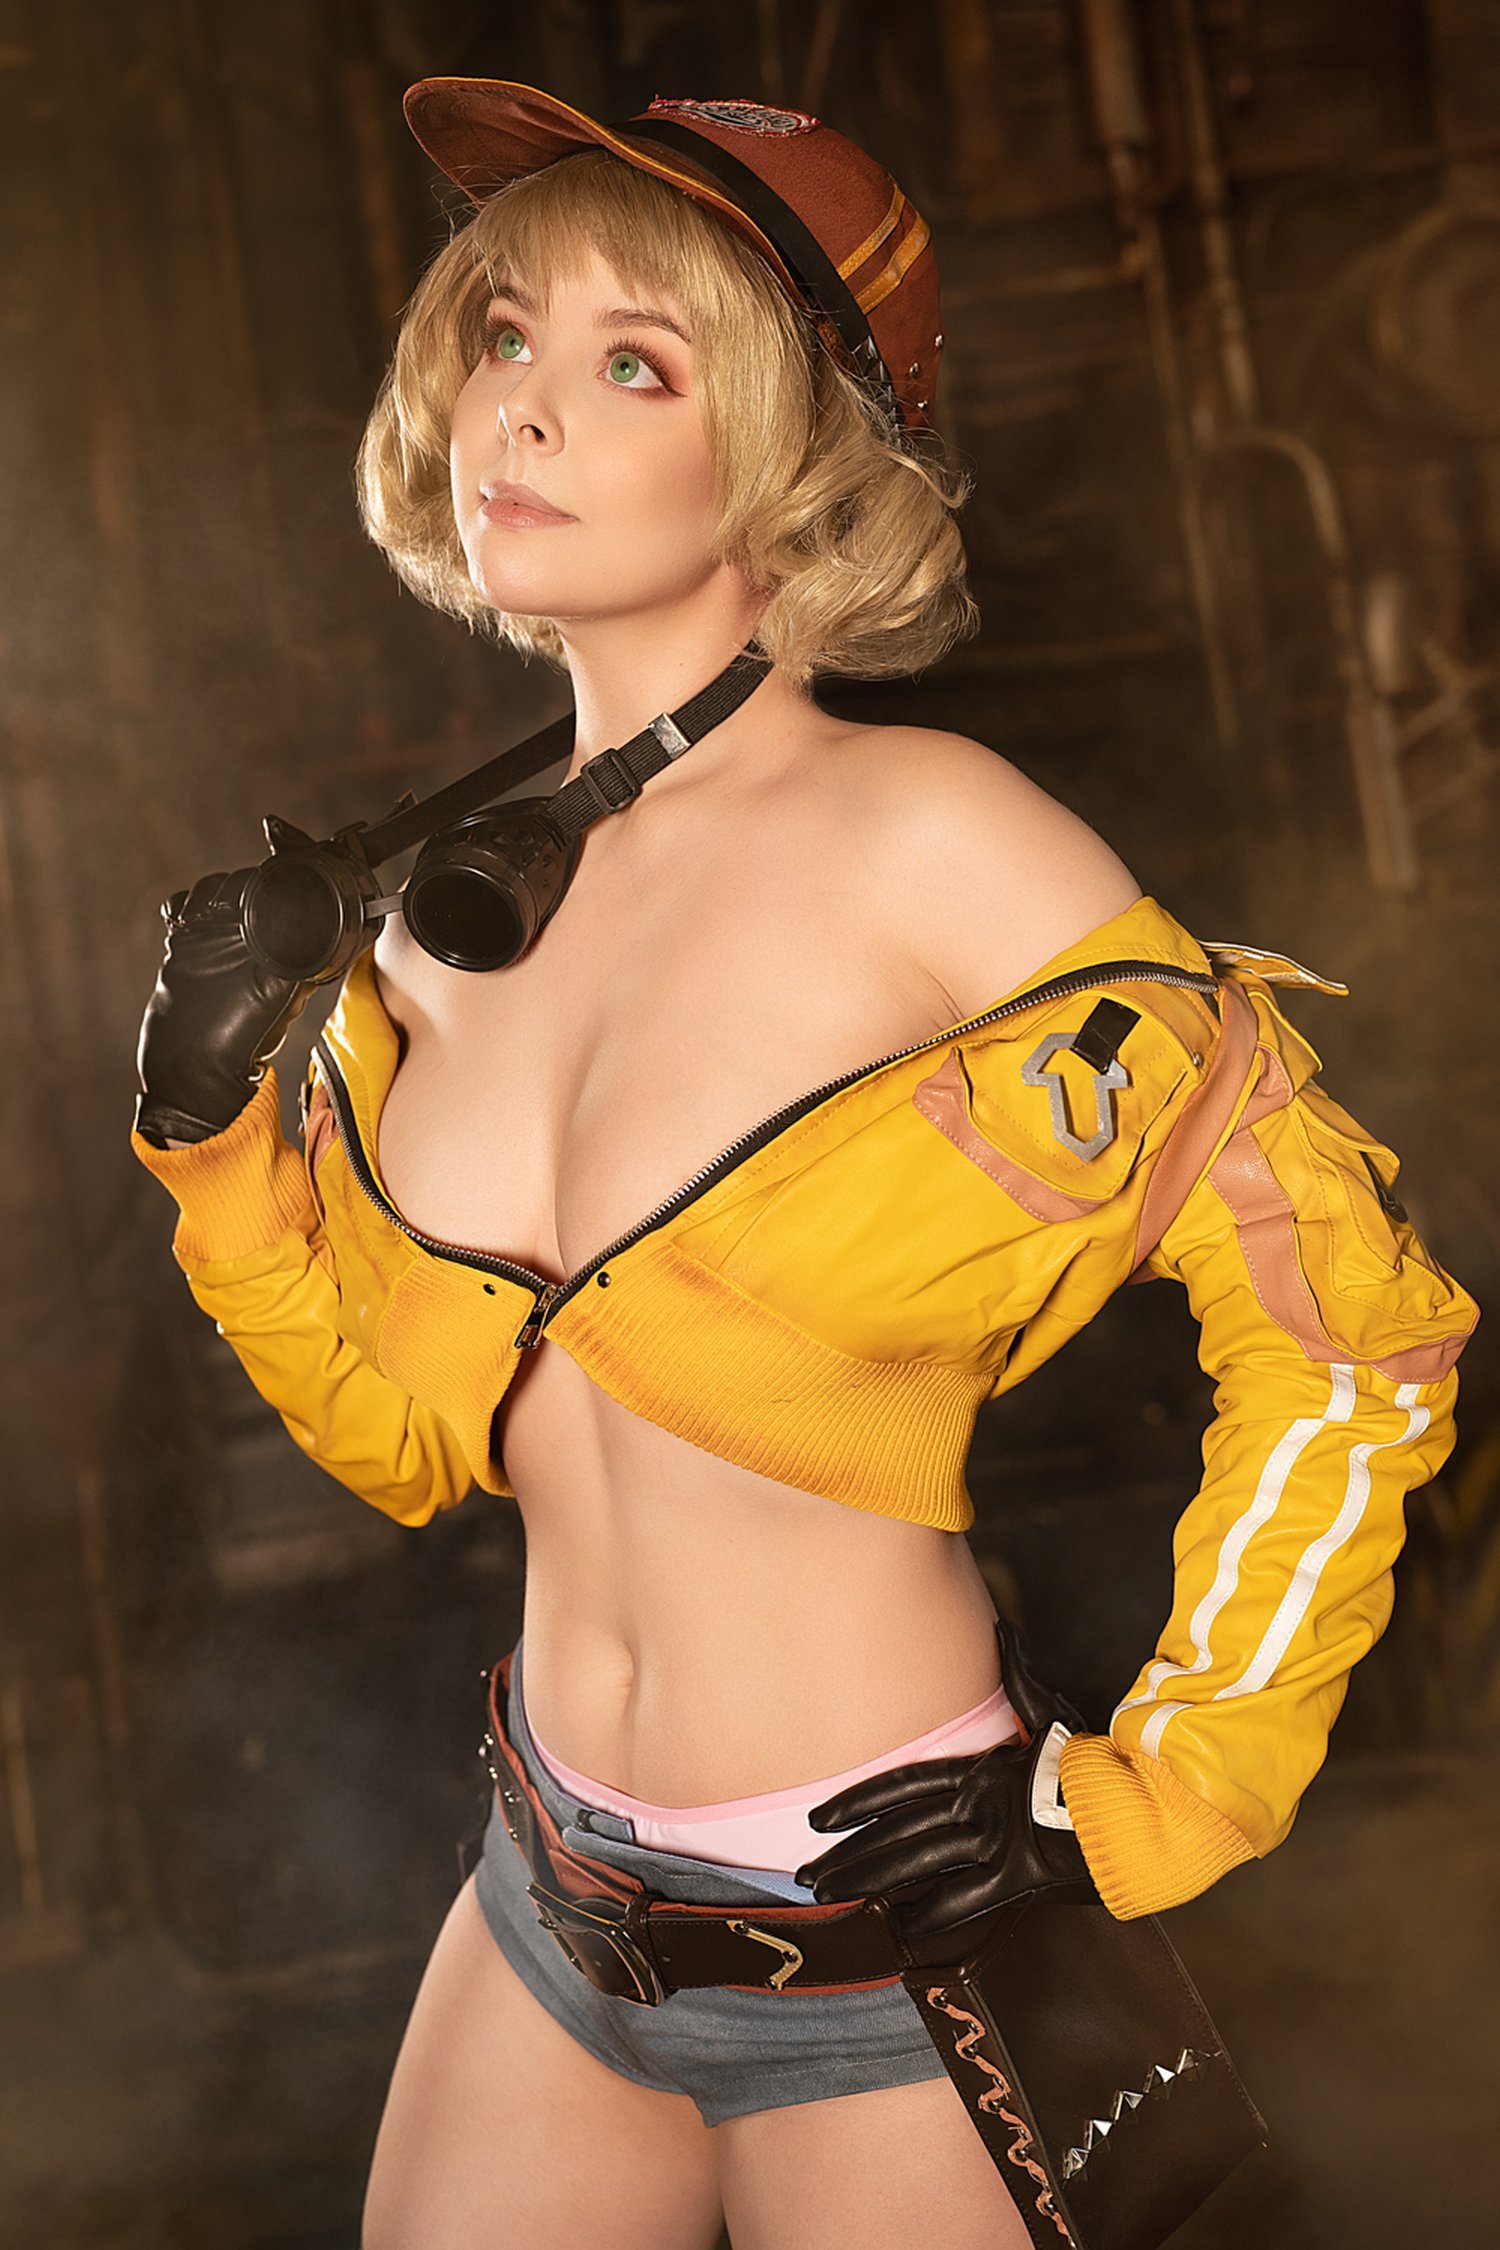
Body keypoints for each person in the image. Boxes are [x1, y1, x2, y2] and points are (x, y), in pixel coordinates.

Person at [130, 80, 1479, 2250]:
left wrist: (1157, 1793)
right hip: (548, 1907)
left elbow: (1354, 1333)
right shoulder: (430, 925)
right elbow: (408, 1442)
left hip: (883, 1952)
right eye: (505, 333)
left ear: (794, 455)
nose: (519, 406)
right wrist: (218, 1154)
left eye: (634, 365)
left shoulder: (933, 842)